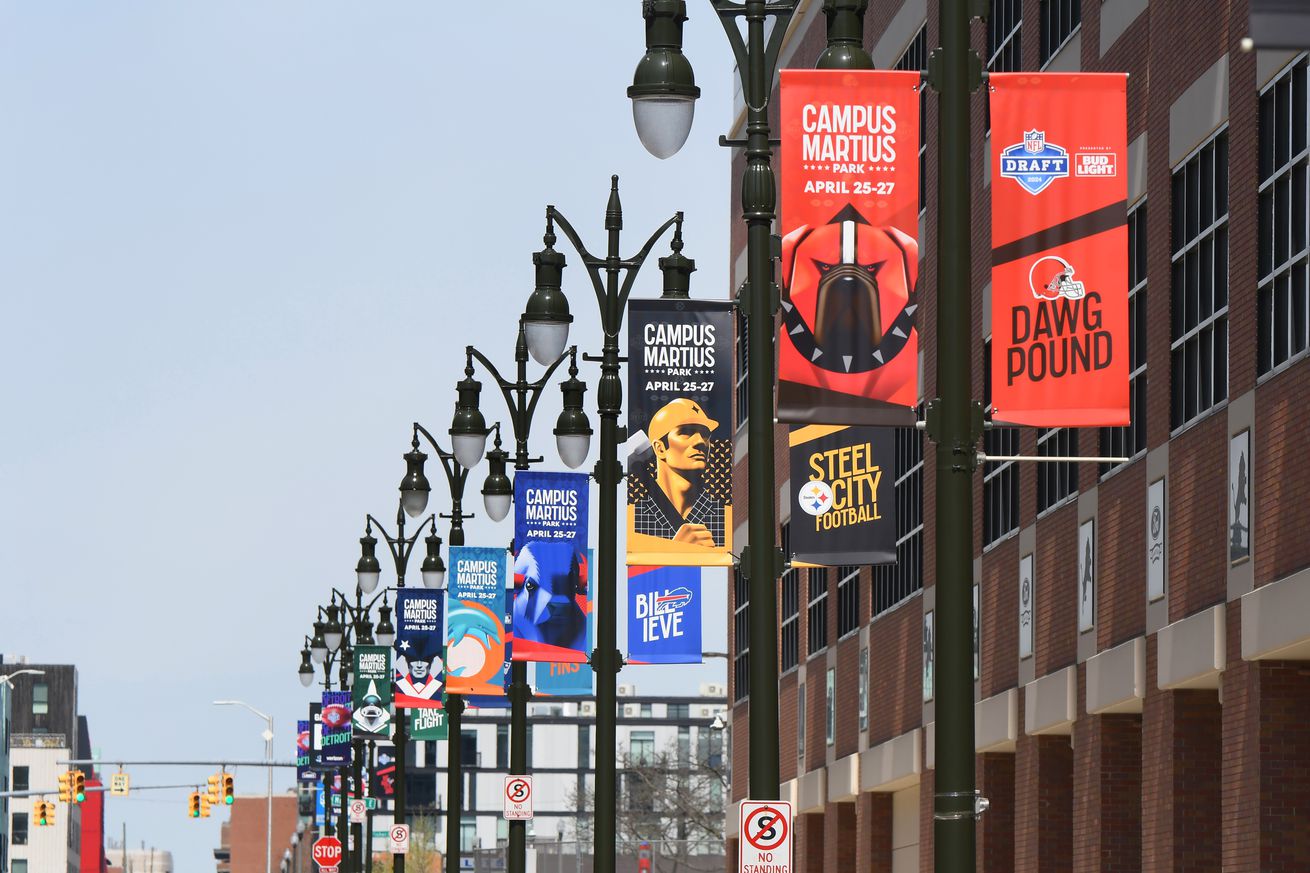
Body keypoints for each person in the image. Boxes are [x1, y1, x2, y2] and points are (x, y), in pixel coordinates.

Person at [632, 398, 725, 548]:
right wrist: (676, 548)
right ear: (660, 448)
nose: (700, 441)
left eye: (705, 434)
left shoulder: (723, 517)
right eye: (686, 432)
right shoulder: (636, 518)